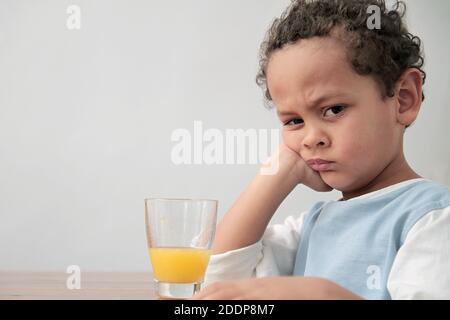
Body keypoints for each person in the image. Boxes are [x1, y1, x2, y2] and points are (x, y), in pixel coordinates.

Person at [191, 0, 450, 299]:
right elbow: (213, 282)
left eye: (333, 109)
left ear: (403, 99)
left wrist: (325, 294)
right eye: (294, 120)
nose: (311, 138)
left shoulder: (432, 218)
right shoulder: (311, 226)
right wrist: (277, 173)